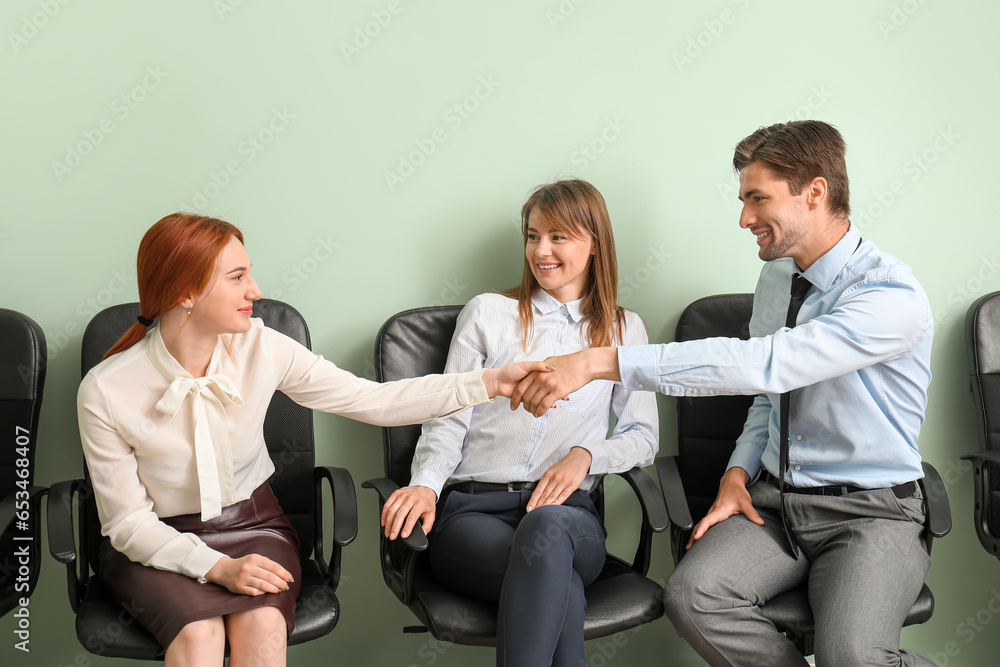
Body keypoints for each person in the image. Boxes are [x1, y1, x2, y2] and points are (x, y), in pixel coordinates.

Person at [511, 121, 935, 666]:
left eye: (759, 199)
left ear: (815, 191)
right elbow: (768, 399)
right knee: (692, 598)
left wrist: (600, 362)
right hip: (777, 504)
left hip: (871, 513)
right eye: (743, 200)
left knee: (852, 656)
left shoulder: (888, 296)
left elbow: (768, 366)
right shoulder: (778, 278)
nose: (744, 218)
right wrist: (737, 473)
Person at [77, 213, 548, 667]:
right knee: (199, 635)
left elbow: (374, 401)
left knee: (262, 622)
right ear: (186, 293)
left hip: (253, 528)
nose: (255, 292)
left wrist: (489, 382)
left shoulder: (263, 346)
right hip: (154, 545)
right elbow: (127, 524)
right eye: (237, 277)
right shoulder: (106, 389)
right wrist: (216, 568)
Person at [380, 179, 658, 667]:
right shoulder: (489, 313)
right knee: (559, 585)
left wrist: (588, 455)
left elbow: (644, 437)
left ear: (595, 244)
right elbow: (449, 417)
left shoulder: (622, 329)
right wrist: (425, 484)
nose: (541, 251)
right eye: (532, 236)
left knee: (547, 527)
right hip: (473, 514)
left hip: (571, 516)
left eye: (558, 237)